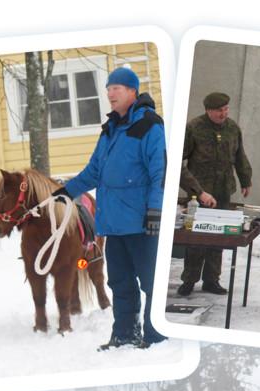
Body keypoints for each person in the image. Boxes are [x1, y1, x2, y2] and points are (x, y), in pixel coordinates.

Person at [58, 67, 167, 349]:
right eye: (108, 88)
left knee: (151, 282)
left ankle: (156, 336)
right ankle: (125, 334)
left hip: (142, 222)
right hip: (114, 223)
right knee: (119, 283)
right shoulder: (110, 130)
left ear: (133, 91)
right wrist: (66, 192)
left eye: (116, 87)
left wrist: (155, 211)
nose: (110, 93)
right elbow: (93, 171)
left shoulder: (150, 126)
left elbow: (160, 173)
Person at [177, 91, 253, 297]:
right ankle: (189, 280)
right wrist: (196, 190)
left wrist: (245, 180)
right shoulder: (194, 128)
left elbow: (239, 156)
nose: (224, 113)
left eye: (226, 109)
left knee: (219, 235)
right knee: (197, 237)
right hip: (200, 192)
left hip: (223, 189)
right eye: (219, 110)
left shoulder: (232, 128)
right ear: (208, 110)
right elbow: (178, 160)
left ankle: (212, 279)